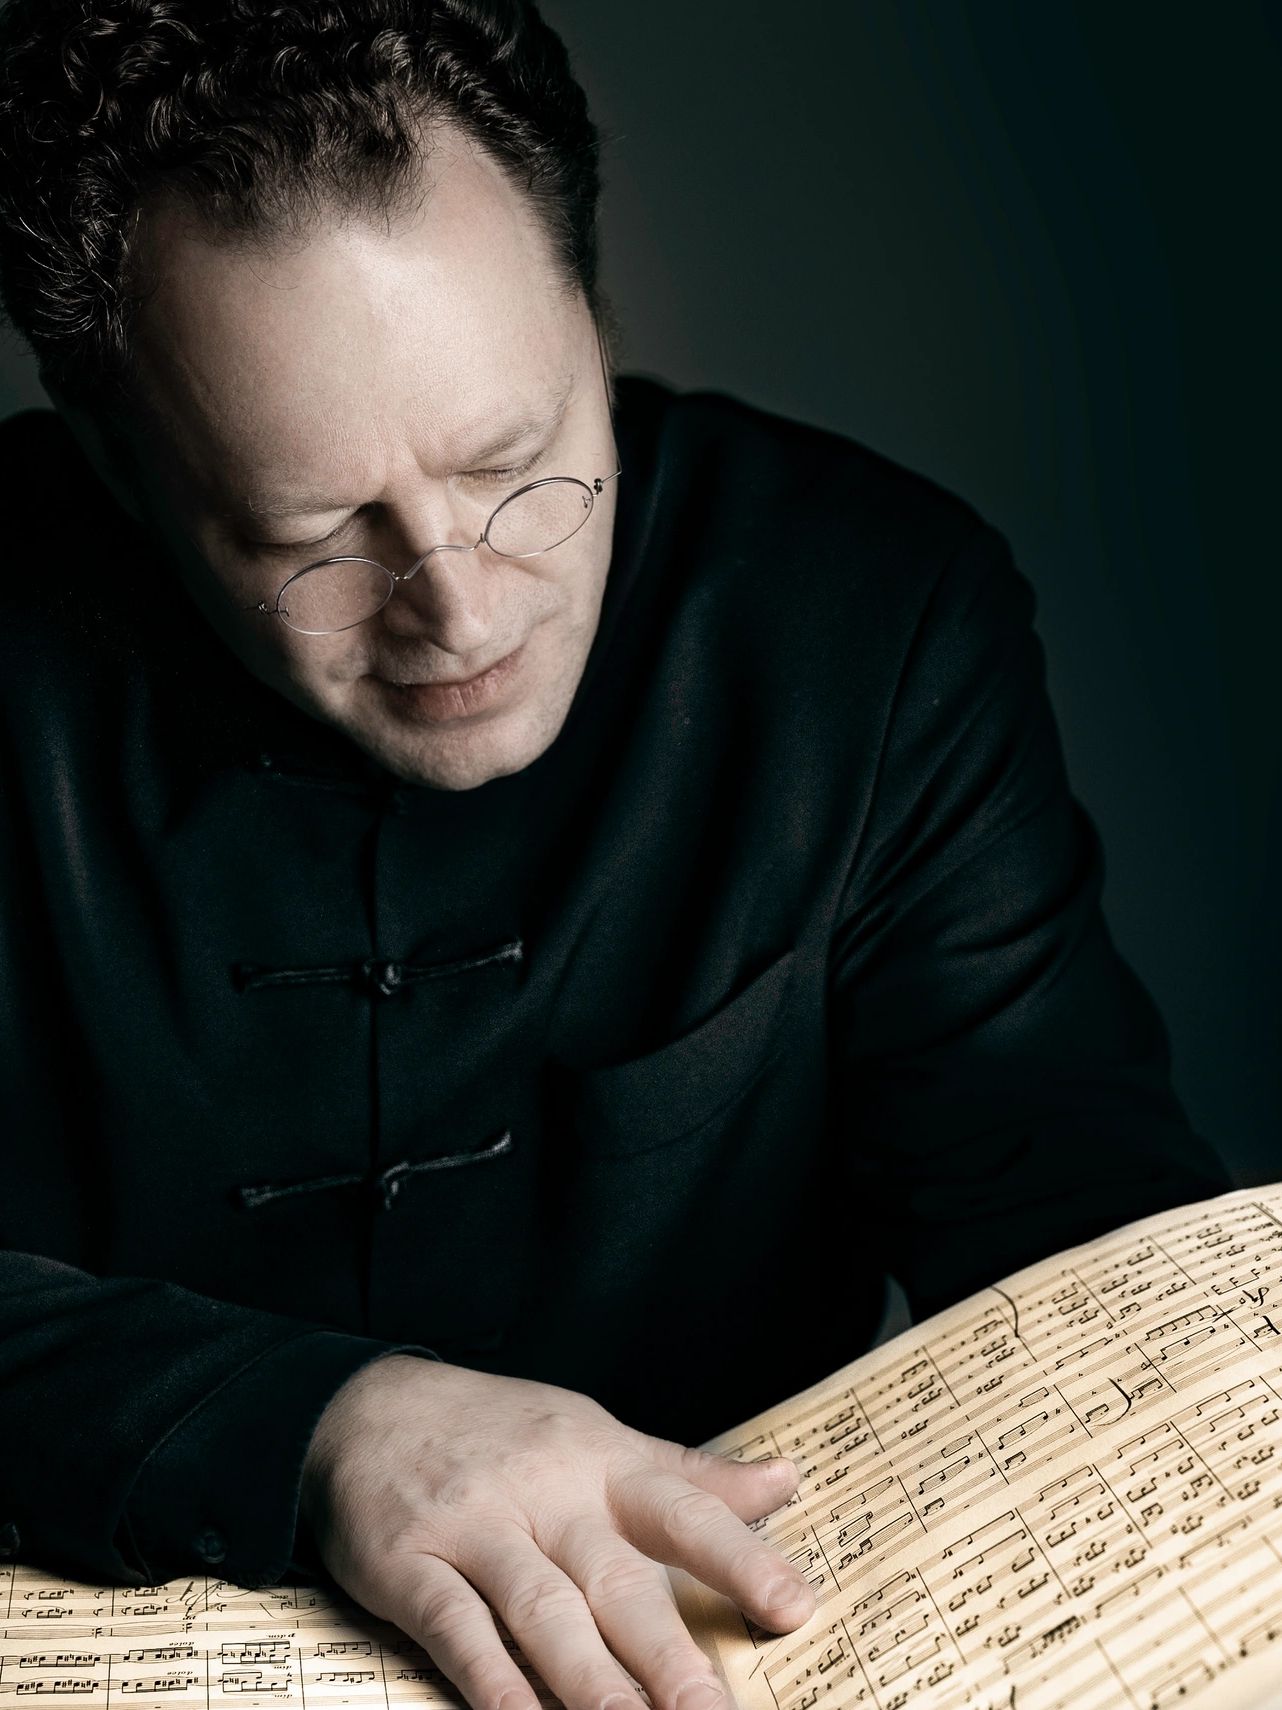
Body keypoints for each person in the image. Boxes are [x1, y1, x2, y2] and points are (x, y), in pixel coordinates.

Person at [0, 4, 1231, 1710]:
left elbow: (1082, 1230)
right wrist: (317, 1419)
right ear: (120, 472)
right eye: (305, 534)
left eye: (515, 462)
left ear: (591, 310)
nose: (458, 603)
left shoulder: (869, 621)